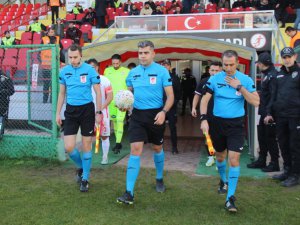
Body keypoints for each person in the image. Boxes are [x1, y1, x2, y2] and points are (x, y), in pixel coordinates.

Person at [200, 50, 259, 212]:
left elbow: (256, 101)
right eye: (225, 65)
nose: (228, 68)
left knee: (234, 159)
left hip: (236, 125)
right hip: (217, 124)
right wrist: (203, 118)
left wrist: (239, 87)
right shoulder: (215, 78)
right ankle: (223, 180)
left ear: (237, 62)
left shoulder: (245, 79)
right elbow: (205, 99)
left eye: (231, 64)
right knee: (220, 156)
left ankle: (230, 198)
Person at [116, 40, 174, 205]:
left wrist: (163, 112)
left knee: (157, 148)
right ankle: (129, 192)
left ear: (153, 53)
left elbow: (170, 96)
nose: (142, 56)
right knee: (135, 150)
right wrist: (124, 106)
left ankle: (159, 178)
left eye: (146, 53)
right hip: (137, 116)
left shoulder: (162, 72)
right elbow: (128, 95)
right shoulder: (132, 73)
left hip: (156, 115)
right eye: (140, 53)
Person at [56, 44, 102, 192]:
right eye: (70, 57)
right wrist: (58, 113)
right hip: (70, 111)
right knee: (69, 147)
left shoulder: (89, 70)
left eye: (75, 57)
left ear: (81, 56)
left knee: (86, 144)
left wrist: (99, 112)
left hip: (87, 110)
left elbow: (98, 92)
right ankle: (82, 167)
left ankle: (85, 178)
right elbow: (62, 93)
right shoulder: (64, 71)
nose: (72, 60)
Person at [266, 47, 300, 187]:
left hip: (296, 116)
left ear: (295, 56)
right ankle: (287, 170)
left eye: (289, 57)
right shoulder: (278, 75)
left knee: (295, 146)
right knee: (283, 145)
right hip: (280, 116)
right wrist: (269, 112)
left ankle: (295, 175)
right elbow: (273, 95)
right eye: (284, 57)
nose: (287, 59)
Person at [247, 52, 279, 172]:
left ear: (261, 64)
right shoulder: (267, 74)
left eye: (258, 64)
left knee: (270, 138)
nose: (258, 66)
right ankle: (262, 160)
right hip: (264, 110)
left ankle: (274, 163)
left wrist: (269, 113)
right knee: (262, 137)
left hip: (270, 113)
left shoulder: (273, 76)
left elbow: (273, 96)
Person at [192, 62, 222, 167]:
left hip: (221, 115)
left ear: (221, 71)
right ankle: (211, 156)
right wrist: (193, 107)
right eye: (212, 70)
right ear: (209, 71)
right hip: (206, 115)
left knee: (220, 138)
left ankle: (220, 158)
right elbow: (197, 94)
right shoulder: (204, 81)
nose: (214, 73)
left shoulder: (225, 81)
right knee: (207, 136)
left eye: (216, 70)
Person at [88, 58, 113, 165]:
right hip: (88, 113)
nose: (90, 70)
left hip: (102, 113)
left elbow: (110, 97)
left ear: (97, 67)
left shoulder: (105, 80)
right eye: (89, 68)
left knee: (104, 135)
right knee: (87, 136)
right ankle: (88, 158)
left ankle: (105, 157)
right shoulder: (86, 80)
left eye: (92, 67)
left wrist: (99, 109)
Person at [104, 54, 130, 153]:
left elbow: (130, 86)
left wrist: (128, 100)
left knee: (119, 121)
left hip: (122, 102)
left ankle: (118, 143)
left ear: (121, 62)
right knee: (115, 121)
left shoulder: (127, 71)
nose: (115, 65)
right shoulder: (107, 71)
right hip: (111, 101)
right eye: (113, 63)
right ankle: (117, 142)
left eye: (117, 63)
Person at [162, 59, 181, 155]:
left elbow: (178, 92)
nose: (165, 67)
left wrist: (174, 102)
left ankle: (174, 147)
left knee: (172, 127)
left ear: (170, 67)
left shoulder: (174, 78)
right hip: (160, 107)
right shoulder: (158, 77)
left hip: (171, 107)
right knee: (159, 127)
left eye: (167, 65)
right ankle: (159, 146)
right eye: (163, 65)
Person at [41, 28, 63, 103]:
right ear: (48, 33)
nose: (52, 33)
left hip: (55, 66)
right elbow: (39, 50)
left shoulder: (57, 39)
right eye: (50, 32)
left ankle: (52, 100)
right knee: (46, 84)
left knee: (54, 84)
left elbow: (61, 48)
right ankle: (45, 100)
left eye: (53, 32)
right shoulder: (43, 39)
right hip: (45, 66)